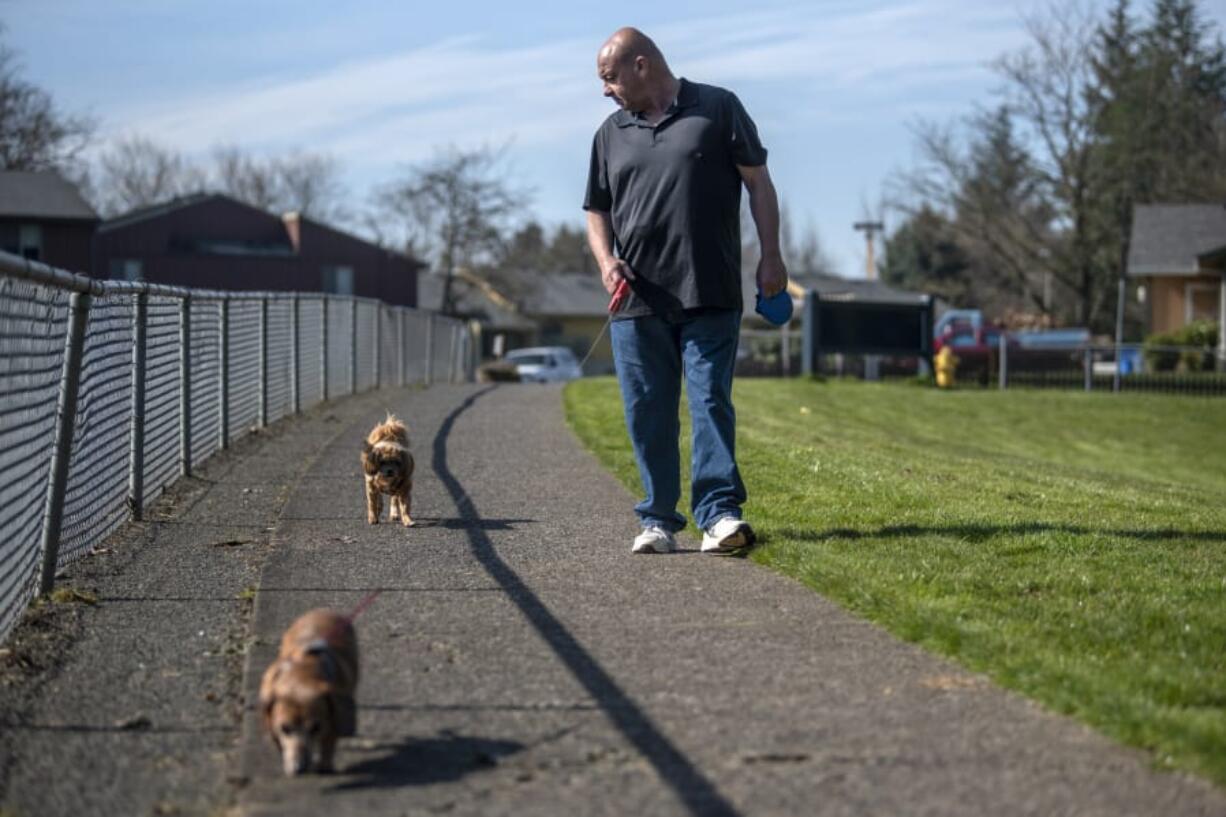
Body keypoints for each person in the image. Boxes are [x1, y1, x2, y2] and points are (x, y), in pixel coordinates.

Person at [583, 27, 787, 555]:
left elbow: (758, 183)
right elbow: (596, 210)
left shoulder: (718, 108)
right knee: (647, 410)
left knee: (709, 401)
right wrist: (607, 262)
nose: (605, 89)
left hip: (710, 287)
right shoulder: (610, 133)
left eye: (609, 77)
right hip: (636, 300)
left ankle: (719, 516)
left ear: (642, 65)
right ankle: (658, 520)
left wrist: (771, 254)